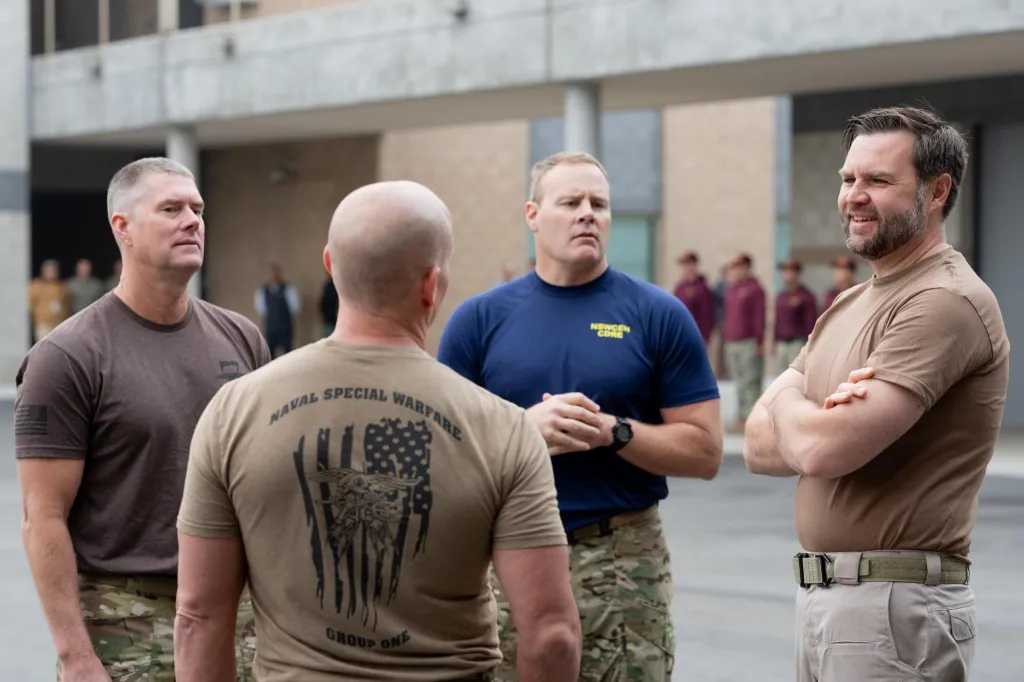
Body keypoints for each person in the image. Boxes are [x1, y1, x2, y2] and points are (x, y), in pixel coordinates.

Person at [174, 180, 581, 682]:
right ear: (433, 284)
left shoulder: (233, 411)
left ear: (330, 265)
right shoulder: (503, 428)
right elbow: (550, 634)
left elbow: (197, 618)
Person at [742, 106, 1008, 681]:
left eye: (879, 181)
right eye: (848, 179)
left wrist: (787, 395)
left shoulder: (943, 300)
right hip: (829, 601)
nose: (853, 196)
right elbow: (757, 449)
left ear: (938, 191)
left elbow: (820, 452)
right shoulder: (849, 303)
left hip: (893, 610)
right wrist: (812, 410)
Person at [438, 151, 723, 681]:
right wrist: (521, 433)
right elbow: (436, 456)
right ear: (532, 215)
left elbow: (705, 452)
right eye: (570, 202)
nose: (587, 214)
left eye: (599, 204)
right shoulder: (478, 320)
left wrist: (614, 432)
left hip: (622, 559)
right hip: (506, 557)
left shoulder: (657, 314)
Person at [15, 157, 269, 681]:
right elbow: (43, 520)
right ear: (122, 228)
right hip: (125, 625)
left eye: (198, 209)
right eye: (171, 208)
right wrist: (77, 658)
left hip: (236, 619)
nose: (193, 220)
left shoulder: (242, 339)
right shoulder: (66, 357)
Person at [721, 252, 766, 431]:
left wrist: (760, 341)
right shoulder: (731, 289)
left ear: (747, 268)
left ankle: (751, 419)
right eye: (734, 267)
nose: (736, 271)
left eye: (740, 267)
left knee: (750, 382)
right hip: (732, 342)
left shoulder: (755, 289)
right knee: (738, 382)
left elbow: (759, 317)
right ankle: (741, 417)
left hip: (749, 342)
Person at [773, 258, 817, 375]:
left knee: (795, 375)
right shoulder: (781, 296)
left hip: (797, 343)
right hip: (782, 343)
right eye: (784, 271)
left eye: (790, 271)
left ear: (798, 274)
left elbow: (811, 322)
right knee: (781, 376)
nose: (787, 275)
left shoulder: (806, 296)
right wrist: (774, 341)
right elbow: (777, 321)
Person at [255, 262, 302, 357]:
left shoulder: (289, 289)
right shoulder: (262, 292)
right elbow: (261, 311)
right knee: (270, 355)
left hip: (285, 328)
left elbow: (295, 308)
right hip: (271, 329)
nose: (274, 276)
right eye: (272, 274)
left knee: (288, 355)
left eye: (276, 273)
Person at [672, 250, 716, 346]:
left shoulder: (702, 287)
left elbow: (707, 314)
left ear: (694, 266)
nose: (685, 269)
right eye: (683, 265)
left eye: (688, 265)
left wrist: (705, 336)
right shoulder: (680, 287)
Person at [28, 259, 70, 343]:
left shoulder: (63, 286)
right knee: (44, 347)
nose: (51, 273)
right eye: (49, 271)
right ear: (43, 272)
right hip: (43, 324)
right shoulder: (36, 285)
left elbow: (67, 304)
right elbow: (31, 305)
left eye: (54, 271)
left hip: (59, 324)